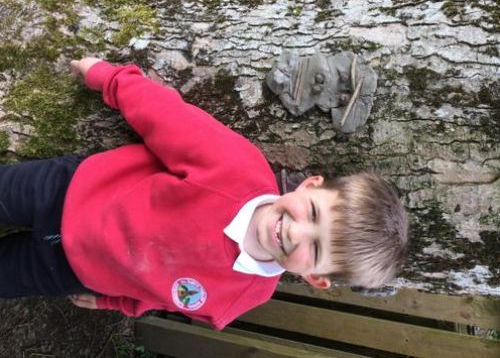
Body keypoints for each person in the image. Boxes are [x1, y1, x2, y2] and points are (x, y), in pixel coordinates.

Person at [0, 58, 408, 330]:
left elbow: (159, 296)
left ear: (315, 278)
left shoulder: (240, 298)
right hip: (69, 190)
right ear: (311, 185)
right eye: (313, 214)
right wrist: (111, 78)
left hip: (68, 271)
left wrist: (113, 304)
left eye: (314, 249)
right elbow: (167, 119)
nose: (296, 232)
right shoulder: (238, 169)